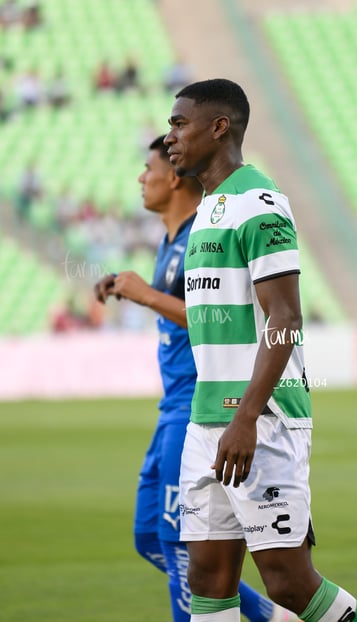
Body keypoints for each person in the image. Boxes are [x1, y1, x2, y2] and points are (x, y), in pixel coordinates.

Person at [164, 79, 357, 622]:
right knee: (207, 579)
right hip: (206, 421)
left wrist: (247, 418)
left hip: (261, 421)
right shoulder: (208, 209)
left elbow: (285, 316)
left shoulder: (260, 202)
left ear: (219, 126)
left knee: (287, 584)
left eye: (179, 123)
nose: (169, 137)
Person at [94, 135, 301, 622]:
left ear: (173, 176)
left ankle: (273, 614)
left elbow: (213, 314)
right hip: (172, 403)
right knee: (151, 537)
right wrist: (135, 290)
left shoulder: (199, 236)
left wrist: (145, 295)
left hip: (197, 400)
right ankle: (275, 616)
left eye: (148, 168)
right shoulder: (171, 241)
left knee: (181, 545)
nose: (141, 178)